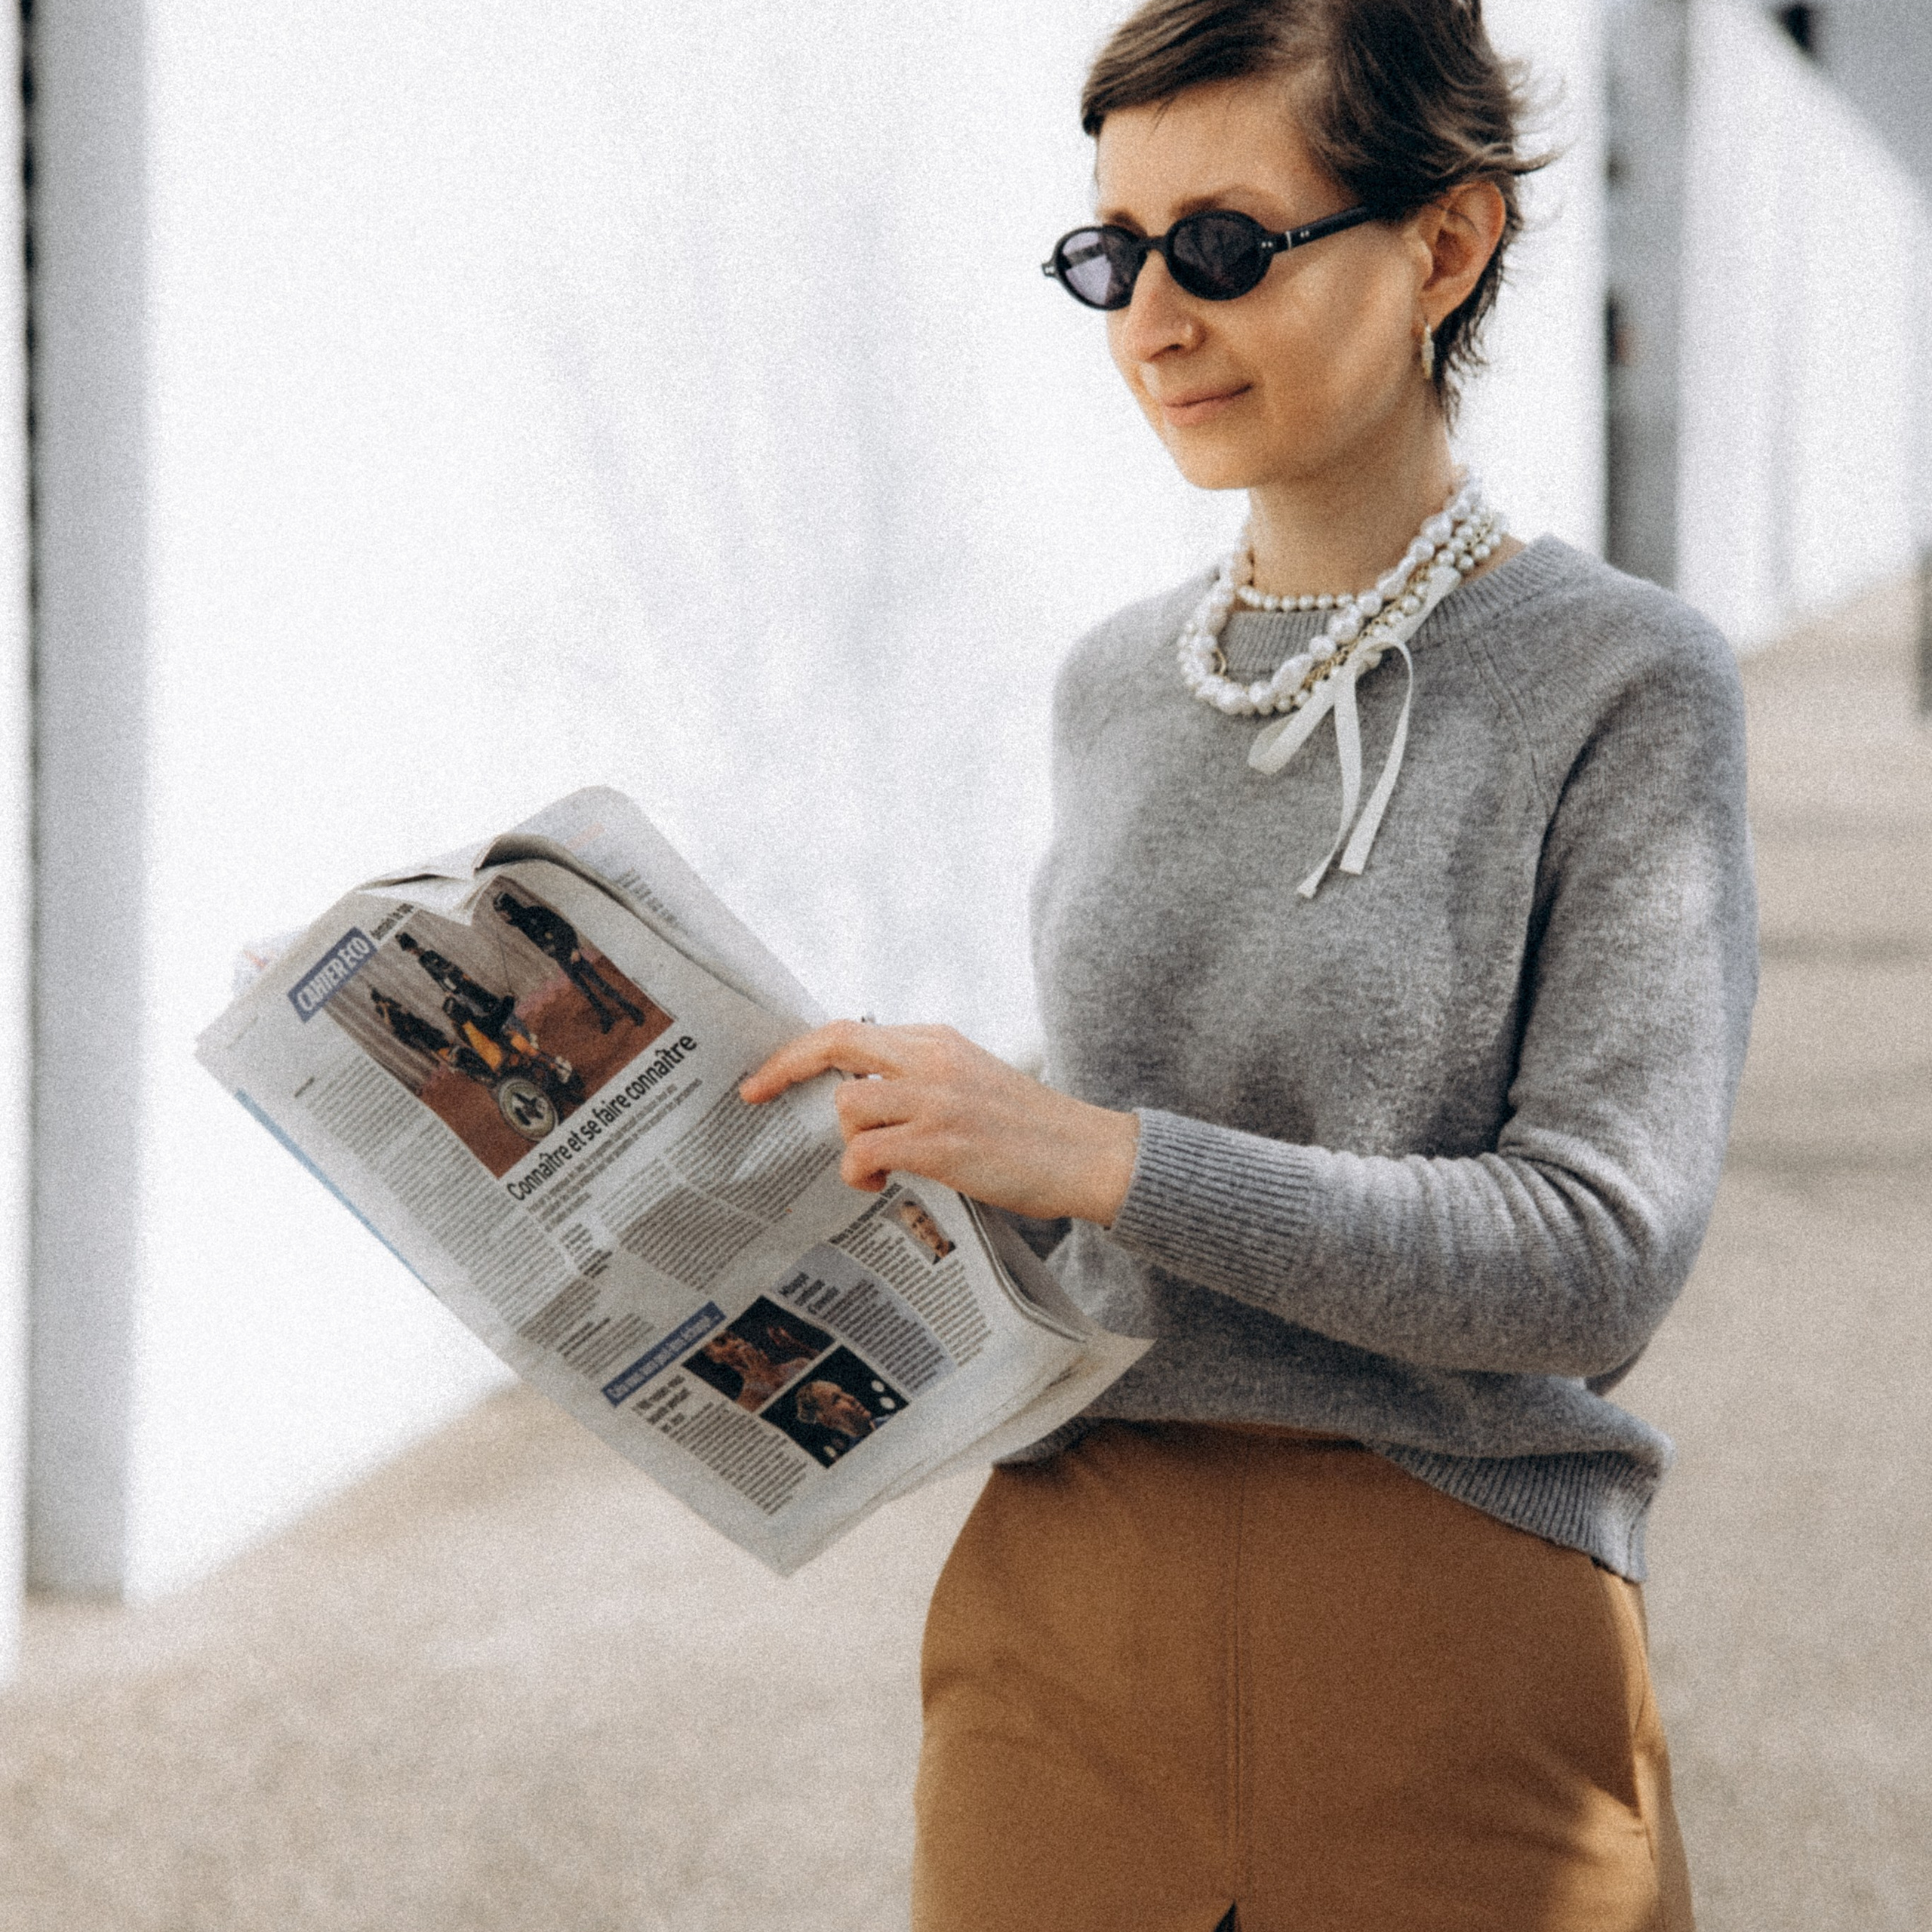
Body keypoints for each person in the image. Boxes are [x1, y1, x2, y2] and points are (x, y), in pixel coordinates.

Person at [742, 3, 1752, 1927]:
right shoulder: (1114, 684)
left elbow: (1593, 1251)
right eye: (1110, 256)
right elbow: (1077, 1221)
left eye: (1219, 245)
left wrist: (1099, 1151)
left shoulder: (1621, 682)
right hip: (1056, 1617)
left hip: (1449, 1623)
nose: (1149, 320)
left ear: (1440, 245)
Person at [491, 888, 648, 1032]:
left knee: (602, 986)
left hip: (573, 955)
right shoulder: (522, 923)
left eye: (504, 912)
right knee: (586, 991)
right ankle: (606, 1017)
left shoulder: (536, 912)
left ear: (510, 907)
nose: (504, 916)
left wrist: (574, 949)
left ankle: (633, 1011)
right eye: (501, 914)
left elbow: (565, 928)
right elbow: (514, 923)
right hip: (562, 960)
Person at [395, 930, 516, 1037]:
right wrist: (447, 991)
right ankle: (506, 1030)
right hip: (455, 990)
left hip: (462, 983)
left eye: (410, 948)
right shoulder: (422, 962)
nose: (411, 952)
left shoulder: (431, 953)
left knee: (487, 1002)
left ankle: (511, 1023)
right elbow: (436, 979)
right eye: (408, 951)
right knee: (478, 1011)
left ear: (414, 944)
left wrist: (461, 978)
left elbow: (450, 967)